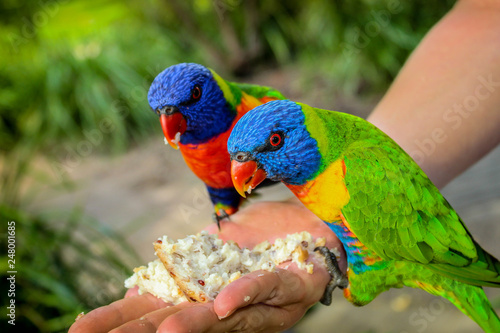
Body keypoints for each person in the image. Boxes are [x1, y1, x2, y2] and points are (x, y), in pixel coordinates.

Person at [69, 0, 500, 331]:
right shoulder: (325, 147)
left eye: (273, 143)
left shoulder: (353, 177)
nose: (246, 171)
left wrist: (333, 267)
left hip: (425, 258)